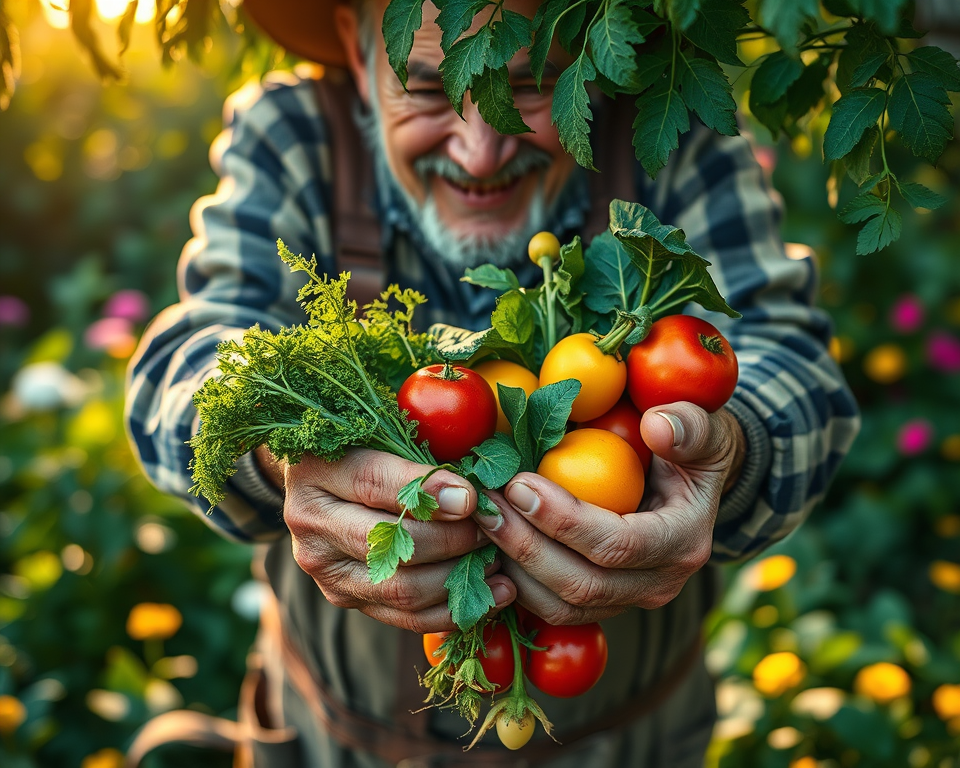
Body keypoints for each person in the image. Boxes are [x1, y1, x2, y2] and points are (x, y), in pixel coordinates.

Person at [125, 0, 861, 765]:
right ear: (354, 38)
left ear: (589, 45)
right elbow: (183, 368)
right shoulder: (298, 136)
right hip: (334, 744)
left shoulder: (667, 126)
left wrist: (730, 454)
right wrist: (285, 456)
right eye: (431, 90)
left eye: (530, 85)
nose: (480, 152)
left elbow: (792, 362)